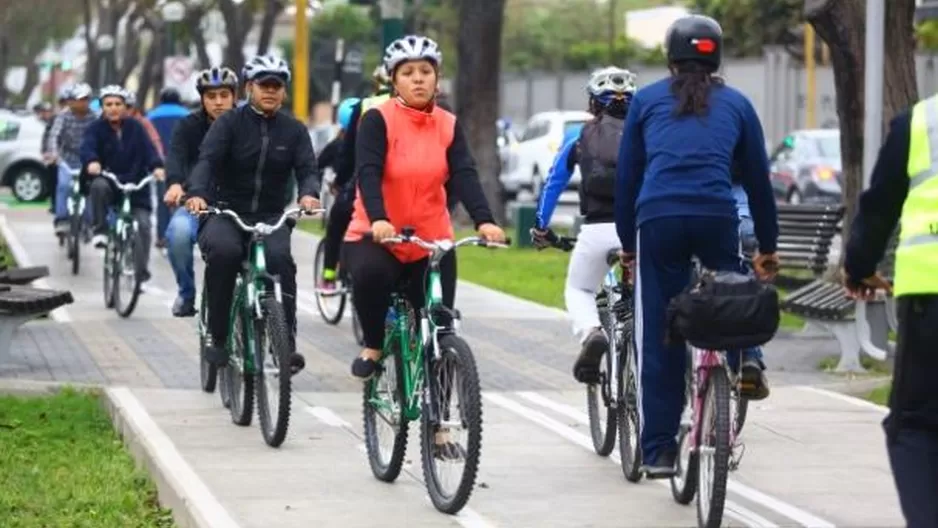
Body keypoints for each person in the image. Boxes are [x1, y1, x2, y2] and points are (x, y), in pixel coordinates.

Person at [614, 15, 779, 477]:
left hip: (659, 220)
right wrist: (767, 246)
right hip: (715, 215)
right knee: (731, 291)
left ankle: (660, 450)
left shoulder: (645, 102)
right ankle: (746, 358)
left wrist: (629, 244)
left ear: (669, 58)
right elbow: (759, 184)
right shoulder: (738, 104)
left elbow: (628, 179)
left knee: (661, 330)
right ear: (717, 57)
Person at [341, 35, 506, 380]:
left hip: (430, 241)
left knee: (440, 332)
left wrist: (484, 221)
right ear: (393, 79)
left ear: (437, 77)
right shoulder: (377, 118)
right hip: (376, 234)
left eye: (425, 71)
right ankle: (373, 344)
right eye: (408, 72)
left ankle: (441, 427)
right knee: (370, 277)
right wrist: (379, 218)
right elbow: (367, 173)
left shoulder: (448, 123)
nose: (418, 78)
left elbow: (464, 173)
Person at [184, 55, 320, 372]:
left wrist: (309, 194)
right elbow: (207, 161)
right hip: (224, 212)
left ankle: (286, 344)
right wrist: (198, 194)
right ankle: (218, 338)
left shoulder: (294, 130)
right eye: (263, 84)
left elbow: (307, 169)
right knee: (225, 253)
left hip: (271, 215)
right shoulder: (229, 124)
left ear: (283, 91)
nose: (270, 91)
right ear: (249, 88)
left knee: (281, 262)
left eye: (277, 85)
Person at [843, 94, 938, 528]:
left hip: (930, 302)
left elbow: (879, 205)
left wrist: (859, 268)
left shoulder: (922, 122)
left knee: (917, 429)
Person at [531, 66, 637, 383]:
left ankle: (592, 332)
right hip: (639, 230)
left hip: (596, 229)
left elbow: (553, 183)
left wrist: (540, 226)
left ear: (593, 102)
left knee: (579, 289)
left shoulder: (578, 135)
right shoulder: (648, 132)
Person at [163, 67, 239, 317]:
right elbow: (175, 156)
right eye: (211, 96)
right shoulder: (188, 126)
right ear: (202, 99)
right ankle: (186, 293)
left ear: (234, 96)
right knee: (178, 234)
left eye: (224, 95)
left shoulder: (249, 123)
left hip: (241, 207)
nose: (218, 102)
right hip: (197, 203)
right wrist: (174, 183)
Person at [318, 68, 393, 292]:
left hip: (362, 183)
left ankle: (329, 275)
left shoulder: (366, 106)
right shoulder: (423, 107)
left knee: (337, 222)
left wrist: (339, 183)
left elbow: (348, 154)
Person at [80, 85, 165, 285]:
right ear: (102, 107)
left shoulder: (136, 127)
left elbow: (149, 150)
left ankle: (140, 272)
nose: (113, 108)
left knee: (144, 226)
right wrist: (92, 161)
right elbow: (87, 147)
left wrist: (157, 167)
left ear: (126, 107)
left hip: (136, 186)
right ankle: (100, 231)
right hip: (110, 182)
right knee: (98, 186)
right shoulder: (95, 129)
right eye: (108, 104)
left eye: (118, 104)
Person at [46, 82, 96, 236]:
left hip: (87, 160)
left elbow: (101, 137)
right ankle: (62, 220)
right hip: (66, 159)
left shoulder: (94, 116)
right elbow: (54, 136)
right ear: (71, 101)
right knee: (64, 186)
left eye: (85, 99)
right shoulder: (64, 116)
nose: (82, 103)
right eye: (79, 99)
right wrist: (54, 154)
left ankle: (88, 223)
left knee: (88, 190)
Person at [148, 87, 190, 249]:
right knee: (185, 200)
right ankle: (185, 236)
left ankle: (162, 236)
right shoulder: (187, 115)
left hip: (161, 163)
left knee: (163, 200)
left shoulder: (152, 116)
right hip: (184, 162)